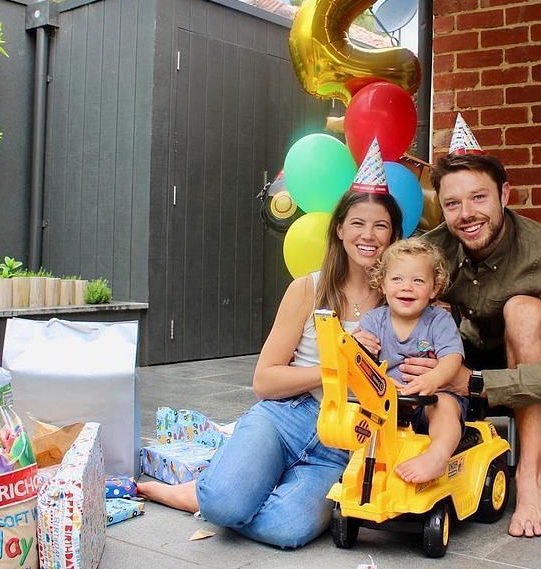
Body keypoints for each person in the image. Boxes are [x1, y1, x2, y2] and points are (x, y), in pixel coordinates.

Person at [138, 167, 403, 548]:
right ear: (339, 229)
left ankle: (221, 494)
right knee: (225, 503)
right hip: (287, 417)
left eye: (381, 226)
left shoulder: (403, 300)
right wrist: (336, 367)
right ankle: (209, 494)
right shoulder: (307, 290)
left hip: (344, 443)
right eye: (357, 223)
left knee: (287, 528)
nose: (369, 235)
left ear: (393, 235)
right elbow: (265, 381)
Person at [411, 114, 541, 539]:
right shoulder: (433, 248)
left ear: (504, 194)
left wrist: (473, 383)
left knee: (524, 310)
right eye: (453, 203)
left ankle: (530, 480)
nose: (466, 214)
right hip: (462, 351)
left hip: (529, 354)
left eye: (479, 198)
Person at [353, 237, 466, 484]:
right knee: (356, 411)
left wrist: (434, 378)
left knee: (445, 406)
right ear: (382, 284)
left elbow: (452, 358)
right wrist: (358, 348)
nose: (407, 287)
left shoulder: (439, 321)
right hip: (386, 404)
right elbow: (358, 362)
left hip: (429, 401)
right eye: (397, 279)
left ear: (434, 289)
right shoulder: (374, 321)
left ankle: (437, 456)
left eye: (418, 280)